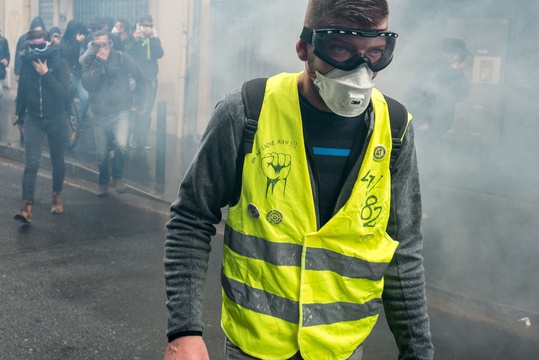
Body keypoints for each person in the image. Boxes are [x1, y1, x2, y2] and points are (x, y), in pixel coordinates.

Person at [162, 1, 434, 359]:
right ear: (304, 48)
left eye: (376, 52)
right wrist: (184, 331)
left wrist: (418, 351)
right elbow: (192, 218)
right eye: (341, 48)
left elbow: (404, 251)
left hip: (343, 349)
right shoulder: (247, 112)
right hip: (255, 347)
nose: (361, 69)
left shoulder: (394, 129)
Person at [13, 29, 72, 224]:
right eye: (33, 46)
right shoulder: (26, 64)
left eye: (41, 45)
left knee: (58, 161)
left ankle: (57, 196)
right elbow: (22, 93)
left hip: (56, 118)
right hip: (34, 119)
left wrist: (46, 74)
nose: (37, 49)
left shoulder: (60, 64)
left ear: (48, 44)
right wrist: (19, 117)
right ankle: (26, 208)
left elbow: (64, 94)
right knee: (32, 163)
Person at [410, 37, 471, 216]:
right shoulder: (432, 70)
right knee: (430, 167)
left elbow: (462, 93)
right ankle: (409, 208)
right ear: (453, 55)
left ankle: (410, 207)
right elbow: (416, 94)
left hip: (433, 130)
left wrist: (457, 73)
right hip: (424, 130)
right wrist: (421, 121)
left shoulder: (449, 72)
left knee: (427, 168)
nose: (464, 63)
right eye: (461, 58)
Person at [80, 30, 145, 196]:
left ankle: (118, 177)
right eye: (97, 45)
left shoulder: (123, 58)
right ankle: (103, 182)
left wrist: (140, 103)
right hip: (100, 114)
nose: (102, 48)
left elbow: (142, 78)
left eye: (105, 44)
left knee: (121, 145)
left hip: (121, 110)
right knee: (101, 155)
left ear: (111, 44)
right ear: (92, 46)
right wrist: (98, 64)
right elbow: (87, 85)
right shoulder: (89, 60)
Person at [127, 14, 163, 150]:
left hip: (151, 79)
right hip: (138, 80)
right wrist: (135, 40)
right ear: (139, 26)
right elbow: (127, 54)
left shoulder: (154, 39)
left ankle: (142, 139)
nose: (148, 28)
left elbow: (160, 53)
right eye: (145, 25)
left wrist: (153, 38)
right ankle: (134, 137)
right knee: (138, 110)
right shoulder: (135, 38)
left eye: (150, 25)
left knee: (148, 110)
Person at [60, 20, 89, 126]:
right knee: (67, 99)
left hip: (80, 75)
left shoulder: (83, 42)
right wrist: (76, 42)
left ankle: (77, 118)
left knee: (85, 97)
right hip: (69, 74)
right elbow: (66, 52)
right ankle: (67, 119)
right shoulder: (64, 41)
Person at [14, 16, 45, 82]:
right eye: (35, 31)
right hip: (26, 72)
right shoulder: (23, 39)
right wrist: (18, 73)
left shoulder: (45, 39)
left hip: (40, 72)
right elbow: (19, 57)